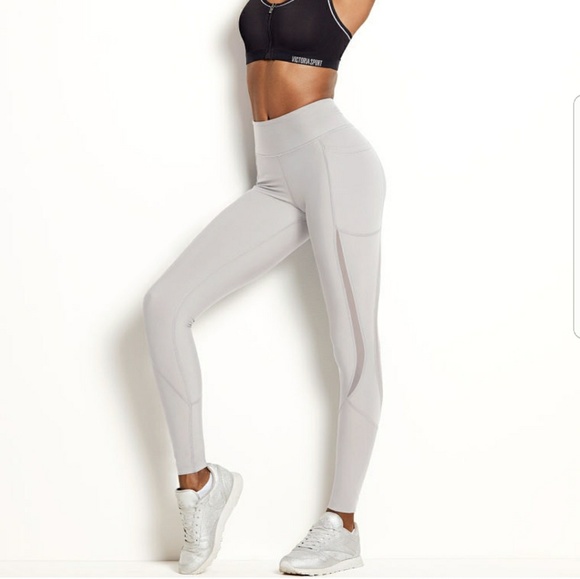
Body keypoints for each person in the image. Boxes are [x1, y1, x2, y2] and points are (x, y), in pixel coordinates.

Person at [142, 0, 385, 574]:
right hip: (273, 178)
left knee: (353, 349)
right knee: (164, 306)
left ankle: (342, 524)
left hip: (335, 163)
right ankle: (200, 484)